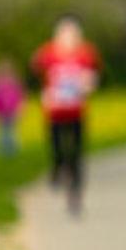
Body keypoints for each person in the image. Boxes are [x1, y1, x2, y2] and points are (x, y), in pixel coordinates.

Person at [31, 15, 101, 215]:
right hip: (55, 112)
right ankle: (58, 172)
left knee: (76, 154)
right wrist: (44, 91)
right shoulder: (48, 53)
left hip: (76, 112)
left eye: (73, 34)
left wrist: (88, 84)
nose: (69, 38)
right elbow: (35, 70)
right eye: (65, 34)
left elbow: (94, 77)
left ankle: (75, 195)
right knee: (57, 151)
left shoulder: (85, 53)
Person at [0, 59, 25, 156]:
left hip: (12, 111)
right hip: (0, 112)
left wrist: (20, 109)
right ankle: (2, 150)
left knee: (12, 131)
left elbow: (20, 97)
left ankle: (12, 149)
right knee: (1, 131)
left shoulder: (15, 83)